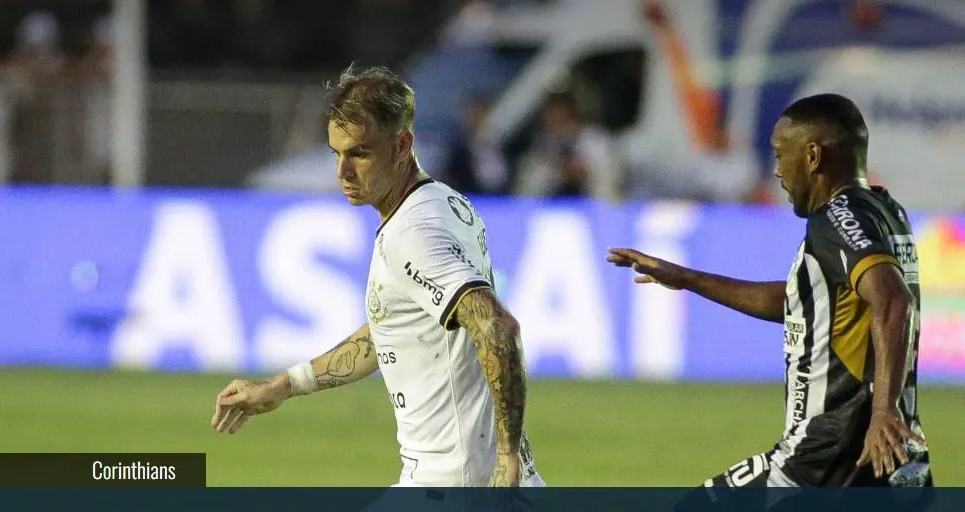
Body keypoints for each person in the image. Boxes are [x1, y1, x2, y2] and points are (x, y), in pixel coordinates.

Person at [211, 64, 543, 488]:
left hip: (455, 485)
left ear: (402, 144)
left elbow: (497, 325)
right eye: (337, 153)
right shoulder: (445, 203)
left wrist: (507, 457)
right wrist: (283, 386)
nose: (342, 172)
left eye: (360, 153)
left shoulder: (413, 234)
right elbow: (390, 331)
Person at [608, 94, 931, 493]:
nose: (777, 170)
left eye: (781, 154)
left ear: (813, 155)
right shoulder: (888, 212)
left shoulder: (837, 217)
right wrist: (685, 278)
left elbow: (894, 299)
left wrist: (884, 409)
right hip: (893, 460)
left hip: (828, 458)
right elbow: (807, 305)